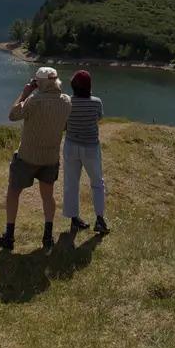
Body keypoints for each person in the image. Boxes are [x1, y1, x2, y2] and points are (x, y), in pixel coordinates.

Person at [0, 66, 71, 250]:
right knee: (48, 196)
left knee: (13, 192)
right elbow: (65, 126)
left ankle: (10, 237)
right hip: (50, 157)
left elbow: (12, 115)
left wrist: (24, 93)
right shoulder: (66, 101)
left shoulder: (33, 100)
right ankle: (47, 237)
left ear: (39, 83)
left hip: (27, 156)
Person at [63, 69, 110, 235]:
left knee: (71, 183)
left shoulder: (67, 101)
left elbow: (64, 124)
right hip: (90, 147)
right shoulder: (96, 102)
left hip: (70, 146)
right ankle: (100, 220)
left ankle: (74, 219)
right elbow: (98, 118)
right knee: (97, 183)